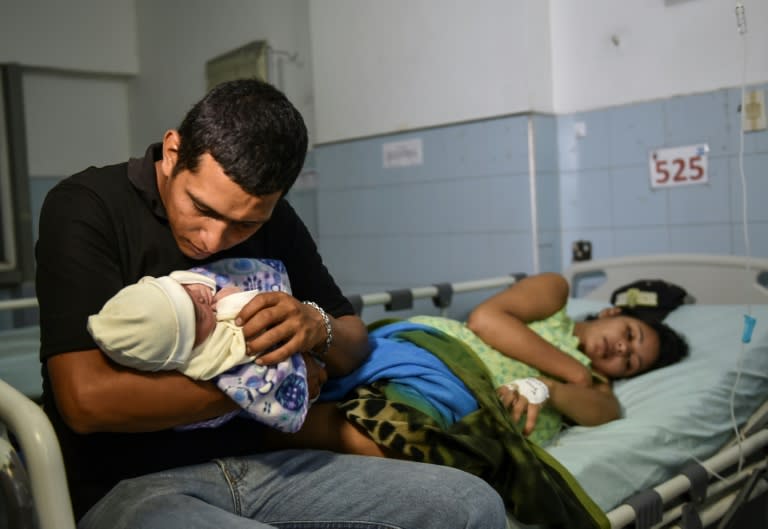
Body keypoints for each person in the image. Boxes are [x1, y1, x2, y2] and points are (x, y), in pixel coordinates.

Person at [35, 78, 507, 529]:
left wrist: (314, 325)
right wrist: (267, 385)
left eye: (243, 225)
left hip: (265, 465)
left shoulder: (275, 220)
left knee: (471, 506)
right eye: (202, 208)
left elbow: (353, 339)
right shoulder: (88, 207)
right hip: (132, 486)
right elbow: (86, 401)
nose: (214, 239)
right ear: (173, 151)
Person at [86, 269, 311, 432]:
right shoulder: (204, 358)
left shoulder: (179, 307)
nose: (203, 300)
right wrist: (229, 302)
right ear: (188, 347)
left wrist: (191, 287)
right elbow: (243, 338)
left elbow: (178, 280)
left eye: (188, 292)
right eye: (201, 315)